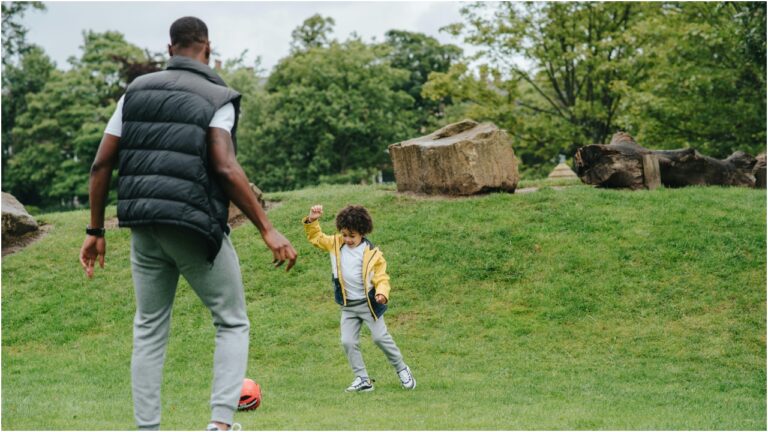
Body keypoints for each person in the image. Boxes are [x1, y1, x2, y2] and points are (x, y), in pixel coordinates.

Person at [79, 16, 297, 431]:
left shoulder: (135, 92)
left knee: (148, 328)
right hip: (193, 225)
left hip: (143, 225)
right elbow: (225, 164)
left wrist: (95, 232)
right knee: (231, 320)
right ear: (207, 49)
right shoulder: (218, 96)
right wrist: (267, 228)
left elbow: (101, 163)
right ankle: (219, 425)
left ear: (169, 50)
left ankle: (148, 428)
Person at [302, 204, 415, 392]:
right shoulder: (336, 244)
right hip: (348, 307)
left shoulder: (373, 254)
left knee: (380, 338)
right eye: (344, 234)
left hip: (369, 305)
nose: (347, 239)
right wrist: (312, 220)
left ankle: (402, 369)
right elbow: (316, 238)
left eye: (352, 236)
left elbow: (382, 277)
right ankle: (362, 379)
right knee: (348, 341)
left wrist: (382, 293)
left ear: (362, 232)